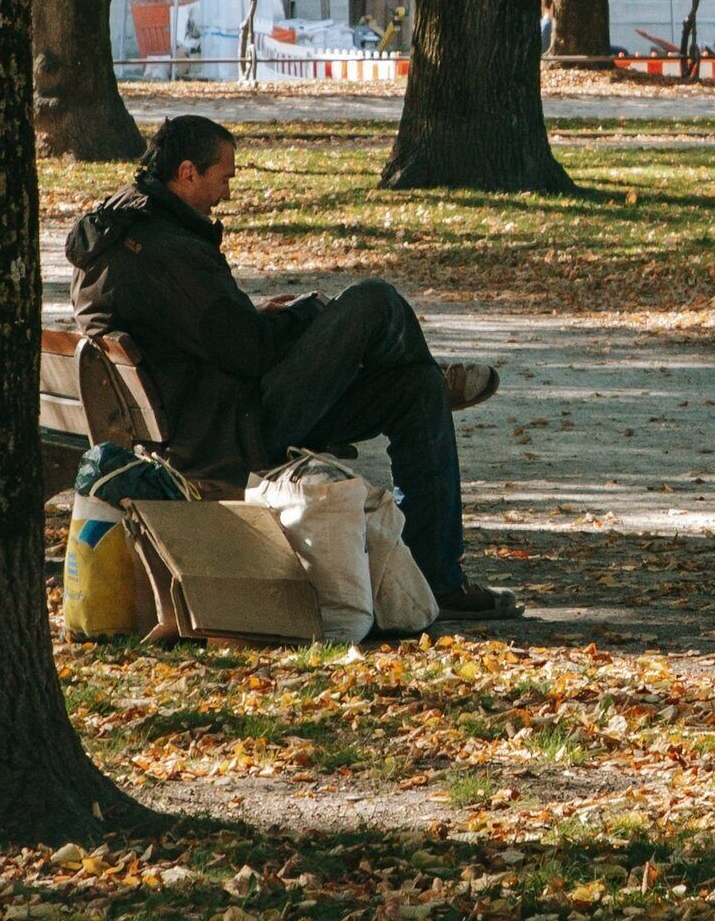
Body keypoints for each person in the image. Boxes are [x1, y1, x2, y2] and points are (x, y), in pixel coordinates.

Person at [63, 112, 520, 622]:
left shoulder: (123, 233)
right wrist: (307, 316)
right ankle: (432, 380)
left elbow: (196, 329)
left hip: (199, 421)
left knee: (415, 391)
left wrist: (252, 315)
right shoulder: (168, 250)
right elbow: (252, 352)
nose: (226, 192)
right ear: (187, 172)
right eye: (224, 177)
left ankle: (439, 581)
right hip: (234, 431)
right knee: (373, 302)